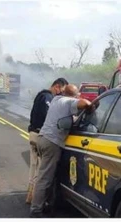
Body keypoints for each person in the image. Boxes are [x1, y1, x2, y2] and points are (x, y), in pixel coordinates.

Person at [30, 84, 92, 218]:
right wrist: (92, 107)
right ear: (74, 95)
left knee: (50, 176)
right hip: (52, 142)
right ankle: (36, 210)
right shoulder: (69, 101)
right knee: (45, 178)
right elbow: (86, 103)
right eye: (77, 96)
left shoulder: (56, 99)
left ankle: (47, 204)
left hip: (43, 139)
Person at [26, 78, 69, 204]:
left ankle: (31, 195)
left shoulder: (42, 95)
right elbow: (48, 117)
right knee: (40, 169)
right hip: (39, 135)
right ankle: (36, 199)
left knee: (35, 167)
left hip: (35, 134)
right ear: (56, 86)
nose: (61, 94)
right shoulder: (47, 98)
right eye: (61, 90)